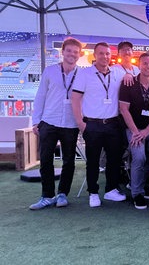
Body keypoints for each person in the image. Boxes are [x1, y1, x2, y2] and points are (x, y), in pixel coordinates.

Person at [71, 42, 127, 207]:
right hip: (92, 125)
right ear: (94, 55)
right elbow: (75, 99)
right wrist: (80, 123)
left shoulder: (117, 72)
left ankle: (111, 190)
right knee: (93, 161)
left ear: (111, 55)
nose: (105, 57)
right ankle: (93, 192)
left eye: (108, 54)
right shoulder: (85, 74)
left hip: (112, 124)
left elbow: (130, 75)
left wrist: (129, 75)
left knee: (114, 160)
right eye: (101, 53)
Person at [29, 38, 82, 210]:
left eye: (75, 52)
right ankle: (47, 195)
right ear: (63, 52)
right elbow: (41, 96)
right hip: (49, 121)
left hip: (70, 123)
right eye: (69, 51)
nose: (72, 54)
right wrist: (36, 121)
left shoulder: (82, 74)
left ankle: (62, 194)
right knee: (45, 160)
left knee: (69, 161)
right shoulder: (50, 71)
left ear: (79, 55)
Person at [119, 53, 149, 209]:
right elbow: (123, 109)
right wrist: (135, 132)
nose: (148, 67)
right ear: (139, 65)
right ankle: (137, 193)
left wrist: (146, 131)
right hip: (134, 129)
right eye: (145, 63)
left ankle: (142, 183)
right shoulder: (129, 83)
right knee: (139, 157)